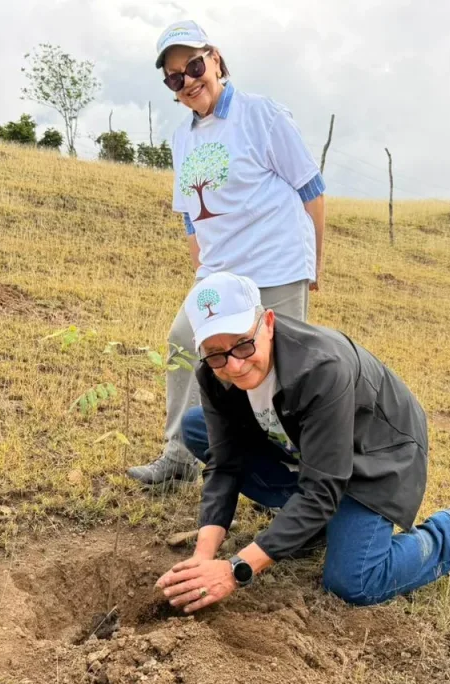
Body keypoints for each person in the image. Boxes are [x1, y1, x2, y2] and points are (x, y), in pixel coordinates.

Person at [154, 272, 450, 612]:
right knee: (197, 427)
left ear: (267, 324)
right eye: (216, 353)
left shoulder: (321, 369)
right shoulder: (214, 372)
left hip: (379, 454)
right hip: (311, 446)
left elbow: (321, 489)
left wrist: (236, 569)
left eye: (243, 346)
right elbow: (225, 462)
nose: (233, 365)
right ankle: (314, 527)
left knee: (354, 581)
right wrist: (204, 555)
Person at [127, 19, 327, 487]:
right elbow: (187, 213)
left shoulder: (262, 115)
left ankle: (306, 475)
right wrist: (201, 262)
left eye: (193, 66)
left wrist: (314, 262)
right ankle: (179, 458)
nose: (188, 81)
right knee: (184, 342)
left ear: (215, 59)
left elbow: (311, 188)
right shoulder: (183, 138)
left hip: (275, 264)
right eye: (175, 78)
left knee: (280, 369)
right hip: (218, 272)